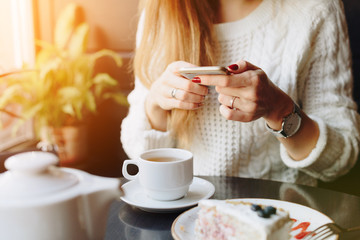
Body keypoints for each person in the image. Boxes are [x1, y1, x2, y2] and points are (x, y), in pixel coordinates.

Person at [121, 0, 360, 186]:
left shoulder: (314, 10)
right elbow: (138, 150)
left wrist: (278, 110)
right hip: (186, 214)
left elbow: (339, 160)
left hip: (275, 216)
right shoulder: (164, 11)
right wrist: (155, 103)